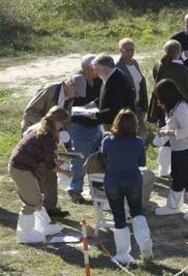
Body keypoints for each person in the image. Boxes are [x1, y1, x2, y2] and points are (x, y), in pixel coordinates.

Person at [22, 74, 87, 217]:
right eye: (76, 93)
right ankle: (35, 208)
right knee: (39, 170)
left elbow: (66, 122)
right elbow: (29, 112)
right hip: (34, 135)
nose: (75, 97)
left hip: (50, 136)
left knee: (51, 169)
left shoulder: (70, 99)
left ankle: (50, 207)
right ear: (69, 84)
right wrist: (47, 126)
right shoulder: (49, 90)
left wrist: (69, 145)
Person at [9, 106, 70, 243]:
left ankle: (43, 226)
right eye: (62, 123)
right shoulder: (47, 135)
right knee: (31, 202)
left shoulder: (41, 127)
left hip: (22, 166)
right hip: (21, 169)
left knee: (36, 197)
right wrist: (65, 172)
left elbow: (44, 155)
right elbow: (49, 165)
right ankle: (24, 235)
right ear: (56, 121)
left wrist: (55, 161)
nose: (62, 126)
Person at [101, 109, 153, 264]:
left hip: (113, 182)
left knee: (119, 217)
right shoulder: (138, 142)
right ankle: (144, 241)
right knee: (137, 211)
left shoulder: (107, 141)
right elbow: (141, 162)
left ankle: (123, 254)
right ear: (134, 125)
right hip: (133, 181)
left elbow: (104, 159)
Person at [154, 79, 188, 221]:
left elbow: (187, 131)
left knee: (185, 178)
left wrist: (168, 133)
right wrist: (163, 130)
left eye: (160, 98)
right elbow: (173, 125)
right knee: (177, 176)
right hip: (178, 148)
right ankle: (173, 206)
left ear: (167, 96)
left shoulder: (182, 107)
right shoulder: (173, 107)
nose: (158, 102)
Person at [147, 39, 188, 177]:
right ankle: (172, 169)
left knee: (166, 137)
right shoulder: (182, 69)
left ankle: (163, 169)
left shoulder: (159, 64)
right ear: (179, 52)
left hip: (161, 105)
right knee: (176, 138)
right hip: (177, 107)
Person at [68, 54, 104, 204]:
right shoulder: (77, 80)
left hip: (96, 124)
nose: (96, 70)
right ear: (85, 68)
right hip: (79, 125)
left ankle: (97, 189)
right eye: (93, 68)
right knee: (79, 159)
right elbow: (67, 107)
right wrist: (84, 108)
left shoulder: (98, 80)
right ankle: (75, 190)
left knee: (98, 158)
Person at [88, 54, 135, 129]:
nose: (95, 73)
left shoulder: (117, 81)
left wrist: (97, 115)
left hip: (119, 124)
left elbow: (115, 107)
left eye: (96, 69)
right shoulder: (109, 76)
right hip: (112, 121)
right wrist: (95, 102)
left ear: (104, 68)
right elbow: (108, 96)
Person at [116, 38, 149, 139]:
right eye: (127, 50)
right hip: (127, 107)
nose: (130, 52)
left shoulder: (134, 63)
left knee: (141, 133)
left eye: (132, 49)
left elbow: (140, 82)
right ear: (120, 50)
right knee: (130, 134)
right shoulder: (117, 67)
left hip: (138, 104)